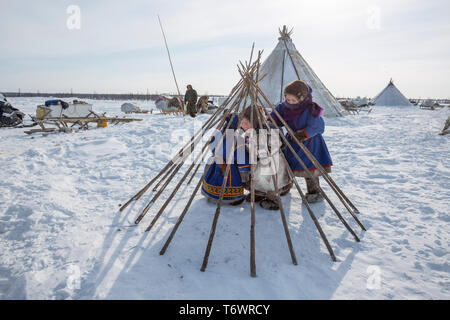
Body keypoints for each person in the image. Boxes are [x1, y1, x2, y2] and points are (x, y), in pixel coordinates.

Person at [268, 80, 333, 203]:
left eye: (294, 100)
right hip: (292, 141)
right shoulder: (283, 107)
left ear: (302, 99)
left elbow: (319, 126)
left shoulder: (311, 109)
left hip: (310, 143)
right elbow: (275, 117)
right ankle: (284, 187)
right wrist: (270, 121)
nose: (290, 103)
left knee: (309, 168)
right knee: (287, 166)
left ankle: (314, 192)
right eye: (288, 100)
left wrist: (303, 134)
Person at [240, 106, 292, 210]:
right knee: (258, 179)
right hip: (259, 161)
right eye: (241, 123)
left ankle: (273, 200)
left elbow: (274, 145)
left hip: (271, 162)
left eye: (246, 123)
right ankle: (259, 193)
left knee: (269, 181)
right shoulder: (252, 131)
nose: (242, 125)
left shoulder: (268, 130)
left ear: (254, 121)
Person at [201, 113, 250, 205]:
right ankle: (230, 198)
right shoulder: (238, 140)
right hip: (230, 169)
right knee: (229, 180)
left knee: (215, 176)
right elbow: (242, 161)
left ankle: (211, 193)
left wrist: (218, 153)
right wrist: (245, 175)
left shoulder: (217, 134)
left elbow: (211, 146)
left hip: (216, 163)